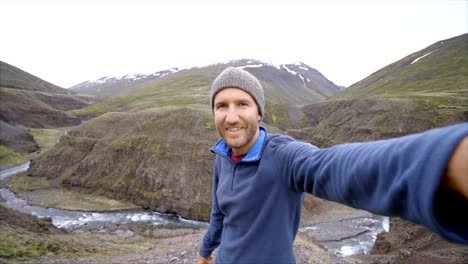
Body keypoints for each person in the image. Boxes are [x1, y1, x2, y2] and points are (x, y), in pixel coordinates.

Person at [197, 66, 468, 264]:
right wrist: (206, 249)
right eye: (222, 106)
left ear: (259, 112)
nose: (231, 117)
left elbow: (327, 166)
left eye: (242, 104)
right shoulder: (223, 156)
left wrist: (441, 162)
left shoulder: (282, 156)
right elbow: (219, 213)